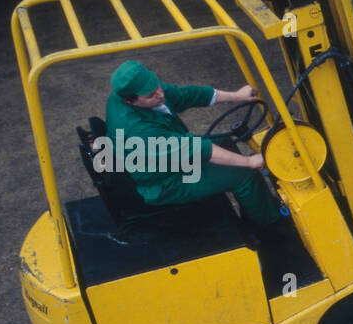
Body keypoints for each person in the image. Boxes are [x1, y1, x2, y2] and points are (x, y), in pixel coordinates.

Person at [104, 59, 284, 230]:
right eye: (151, 95)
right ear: (130, 101)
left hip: (169, 158)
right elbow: (197, 149)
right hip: (165, 182)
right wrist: (250, 162)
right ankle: (273, 227)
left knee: (224, 143)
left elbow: (186, 95)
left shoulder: (137, 88)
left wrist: (237, 96)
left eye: (157, 86)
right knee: (244, 174)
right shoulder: (137, 130)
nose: (160, 95)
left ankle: (255, 209)